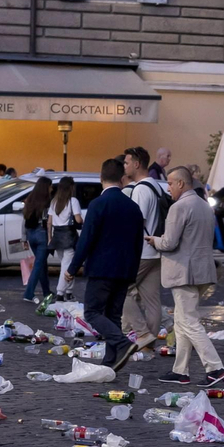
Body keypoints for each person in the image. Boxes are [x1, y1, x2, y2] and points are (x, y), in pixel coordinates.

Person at [148, 166, 224, 387]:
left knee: (188, 321)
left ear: (181, 183)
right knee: (181, 321)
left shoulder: (179, 207)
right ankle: (180, 370)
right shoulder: (203, 205)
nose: (168, 188)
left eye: (170, 184)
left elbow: (170, 243)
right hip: (202, 271)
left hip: (184, 273)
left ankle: (215, 367)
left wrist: (155, 240)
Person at [64, 158, 143, 371]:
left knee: (92, 312)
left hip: (101, 268)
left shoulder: (98, 205)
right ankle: (112, 360)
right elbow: (138, 244)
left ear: (101, 178)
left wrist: (72, 268)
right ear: (122, 179)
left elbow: (86, 239)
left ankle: (122, 343)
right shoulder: (133, 207)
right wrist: (132, 271)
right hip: (125, 269)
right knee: (113, 315)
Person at [121, 146, 165, 350]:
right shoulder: (157, 186)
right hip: (156, 250)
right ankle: (149, 344)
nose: (125, 166)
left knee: (120, 290)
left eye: (127, 162)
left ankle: (143, 333)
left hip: (141, 251)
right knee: (153, 299)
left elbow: (136, 223)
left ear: (137, 164)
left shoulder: (139, 189)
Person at [20, 175, 54, 303]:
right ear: (46, 187)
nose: (52, 189)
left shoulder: (30, 200)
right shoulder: (47, 202)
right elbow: (49, 222)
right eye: (50, 186)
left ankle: (47, 292)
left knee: (41, 264)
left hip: (31, 234)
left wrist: (23, 239)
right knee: (39, 265)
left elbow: (24, 220)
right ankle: (29, 293)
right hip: (41, 234)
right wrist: (50, 237)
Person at [48, 176, 83, 299]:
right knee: (67, 266)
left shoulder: (54, 201)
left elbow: (49, 222)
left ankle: (69, 292)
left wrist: (49, 238)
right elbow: (78, 219)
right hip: (69, 235)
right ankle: (60, 293)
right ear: (71, 187)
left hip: (57, 236)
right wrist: (83, 221)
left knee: (66, 263)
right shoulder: (73, 201)